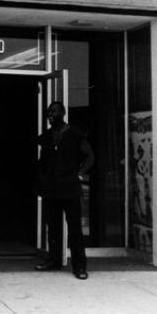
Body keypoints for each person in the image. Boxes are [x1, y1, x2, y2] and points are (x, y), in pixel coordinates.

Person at [35, 101, 94, 280]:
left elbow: (90, 156)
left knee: (75, 229)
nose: (50, 115)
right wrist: (41, 181)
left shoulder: (75, 134)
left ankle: (80, 266)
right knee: (52, 228)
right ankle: (53, 260)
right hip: (51, 189)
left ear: (63, 113)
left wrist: (80, 174)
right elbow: (41, 163)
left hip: (70, 189)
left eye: (54, 111)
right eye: (48, 112)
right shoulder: (45, 136)